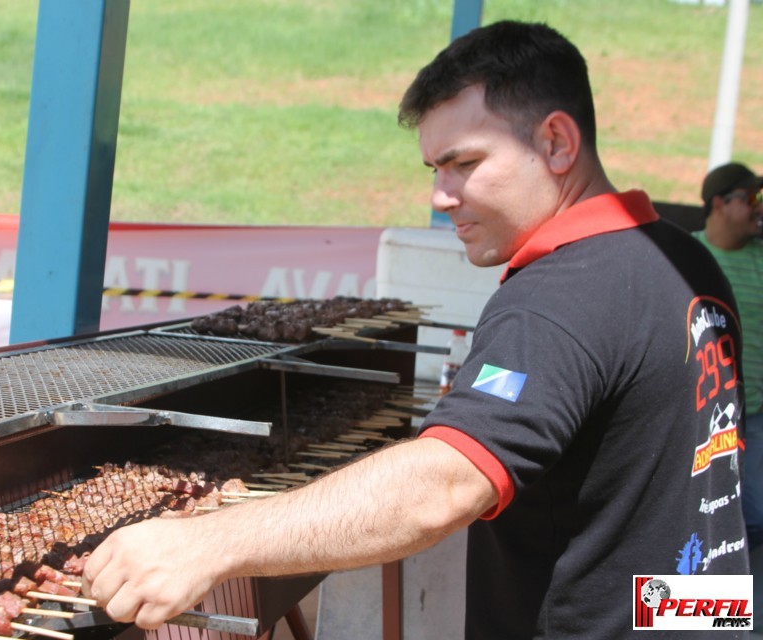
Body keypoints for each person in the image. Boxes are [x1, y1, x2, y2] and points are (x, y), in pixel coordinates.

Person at [83, 21, 750, 638]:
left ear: (555, 142)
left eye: (465, 163)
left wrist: (209, 541)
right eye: (434, 169)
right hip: (701, 612)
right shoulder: (682, 259)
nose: (440, 196)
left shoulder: (560, 297)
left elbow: (445, 486)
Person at [696, 162, 763, 550]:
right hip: (698, 418)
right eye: (751, 197)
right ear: (719, 203)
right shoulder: (684, 253)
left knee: (751, 519)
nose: (758, 207)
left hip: (753, 416)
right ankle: (694, 608)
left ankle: (734, 604)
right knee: (702, 517)